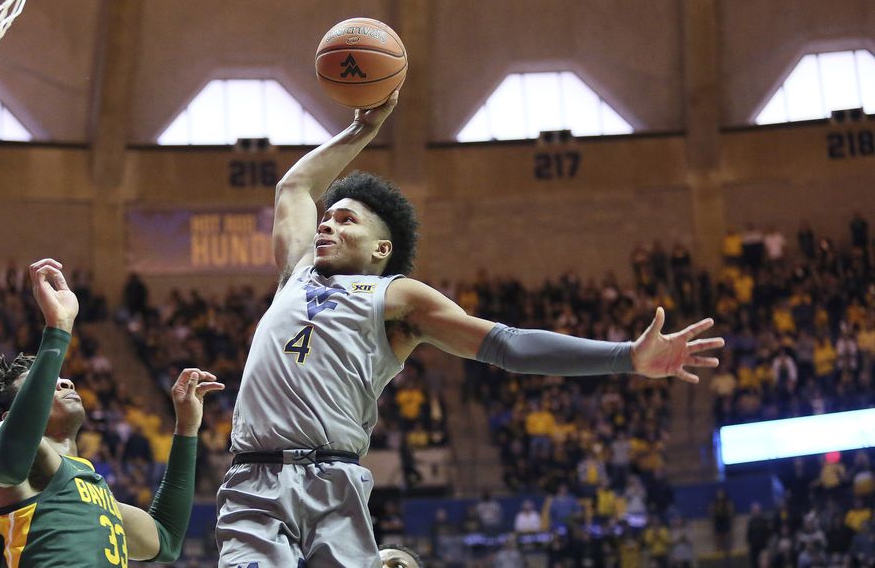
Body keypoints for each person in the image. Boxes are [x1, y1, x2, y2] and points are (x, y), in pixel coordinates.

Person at [216, 93, 725, 568]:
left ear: (381, 250)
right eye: (326, 220)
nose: (327, 225)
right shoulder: (296, 273)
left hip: (333, 479)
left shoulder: (398, 298)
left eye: (345, 220)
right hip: (253, 480)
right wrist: (362, 128)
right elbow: (294, 187)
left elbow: (507, 344)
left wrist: (625, 357)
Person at [0, 258, 224, 567]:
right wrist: (57, 330)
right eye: (45, 384)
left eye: (59, 378)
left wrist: (186, 431)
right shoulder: (7, 447)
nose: (64, 381)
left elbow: (165, 540)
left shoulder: (95, 493)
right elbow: (8, 466)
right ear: (11, 416)